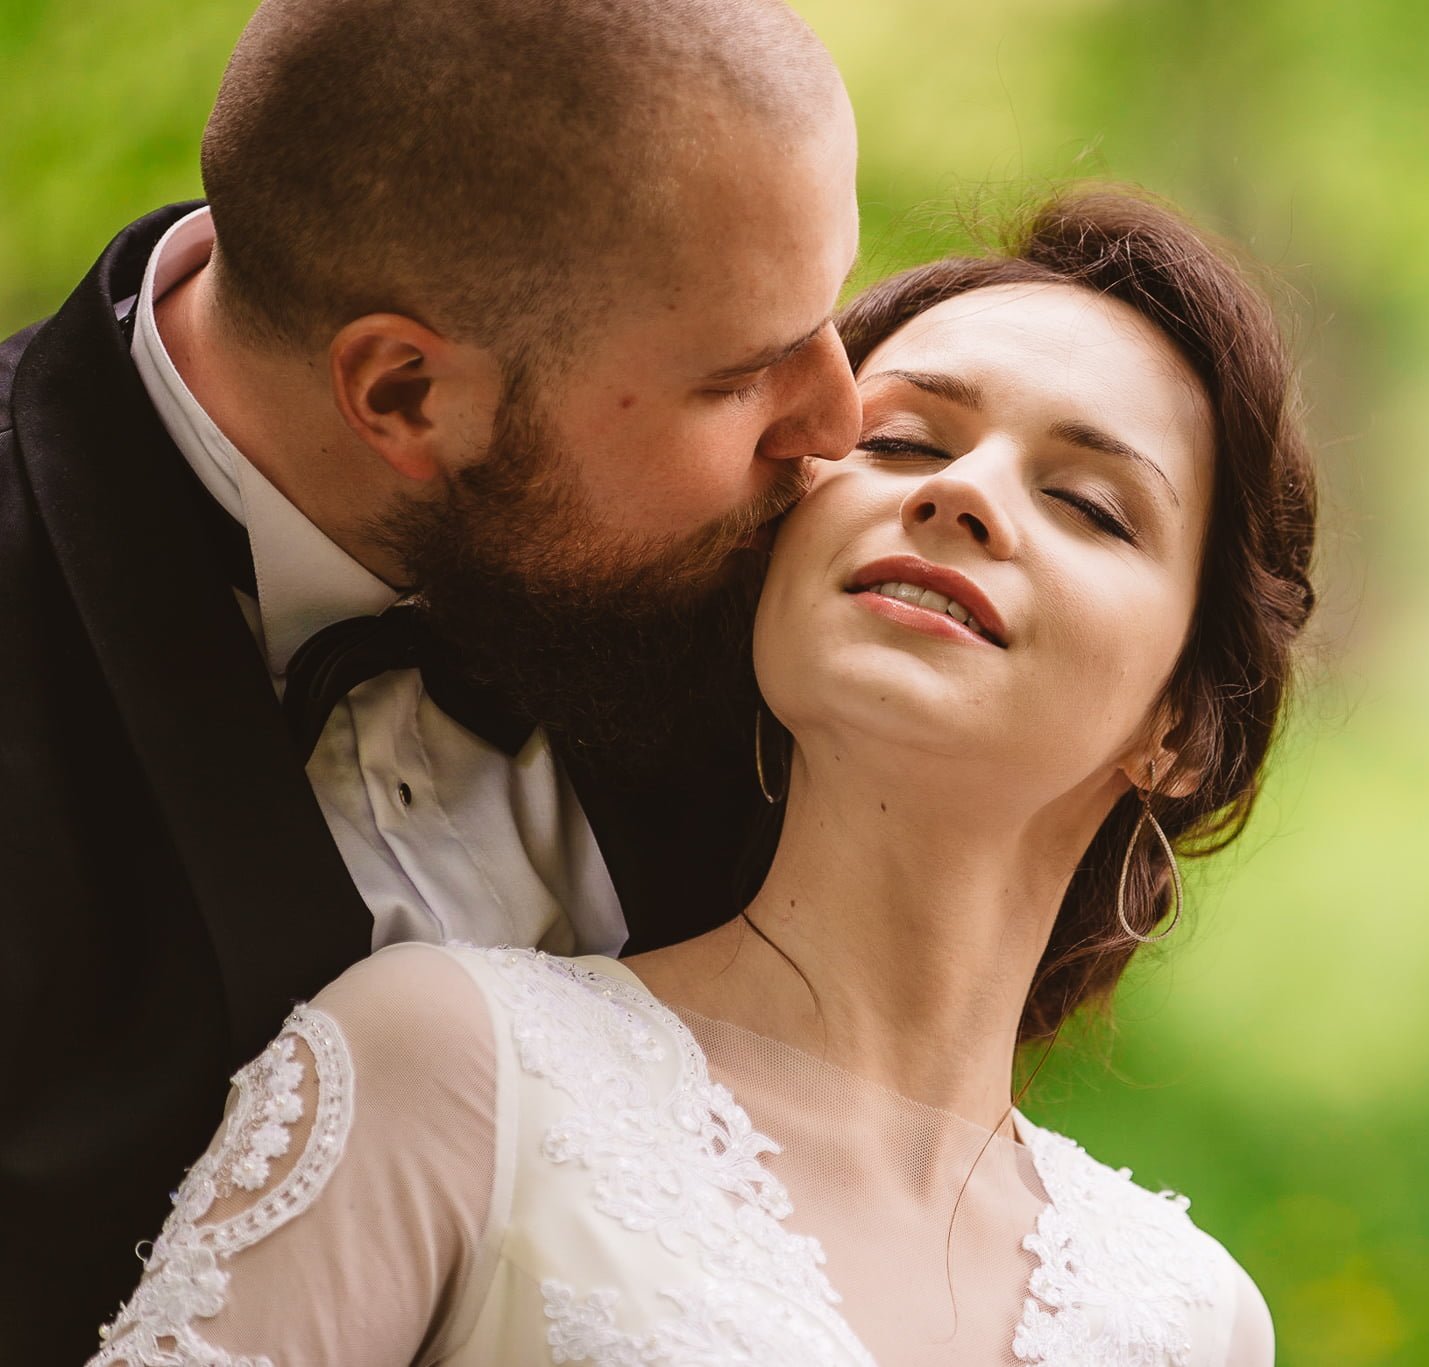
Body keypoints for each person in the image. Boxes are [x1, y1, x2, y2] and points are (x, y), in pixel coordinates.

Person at [87, 188, 1317, 1365]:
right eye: (897, 441)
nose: (959, 494)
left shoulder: (1188, 1316)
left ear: (1183, 728)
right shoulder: (454, 1069)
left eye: (1090, 504)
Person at [0, 0, 861, 1354]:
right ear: (404, 393)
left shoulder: (775, 597)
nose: (841, 421)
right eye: (743, 375)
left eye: (832, 316)